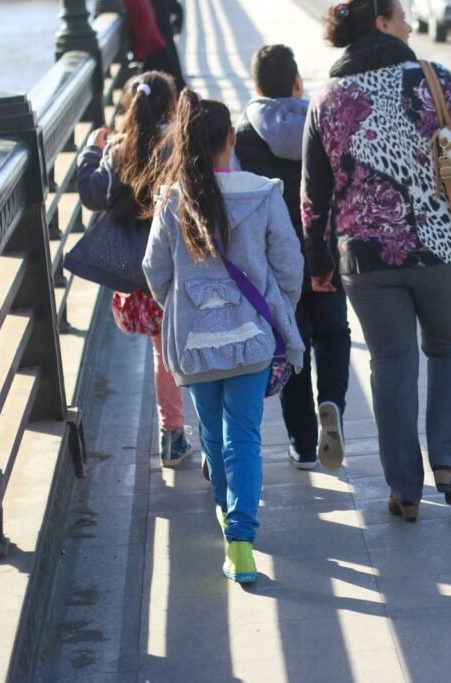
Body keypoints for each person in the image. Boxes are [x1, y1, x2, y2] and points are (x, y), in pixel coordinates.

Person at [302, 0, 451, 522]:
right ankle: (449, 466)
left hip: (365, 258)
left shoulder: (325, 99)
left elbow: (313, 197)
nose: (410, 24)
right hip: (443, 246)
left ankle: (404, 491)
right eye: (403, 15)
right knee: (450, 348)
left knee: (390, 363)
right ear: (382, 23)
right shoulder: (431, 78)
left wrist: (319, 263)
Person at [143, 92, 305, 583]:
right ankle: (241, 540)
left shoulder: (172, 201)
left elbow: (155, 271)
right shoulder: (263, 193)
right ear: (231, 138)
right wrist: (278, 307)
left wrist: (183, 305)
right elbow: (289, 264)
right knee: (245, 438)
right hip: (251, 337)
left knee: (212, 437)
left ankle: (226, 513)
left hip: (193, 343)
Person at [236, 44, 351, 472]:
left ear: (256, 86)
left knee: (291, 344)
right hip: (326, 250)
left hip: (275, 261)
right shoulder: (322, 124)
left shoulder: (243, 135)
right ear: (297, 83)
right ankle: (332, 402)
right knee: (334, 332)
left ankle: (302, 446)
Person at [76, 71, 192, 468]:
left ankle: (172, 435)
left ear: (129, 107)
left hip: (142, 276)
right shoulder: (182, 142)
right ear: (174, 104)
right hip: (187, 265)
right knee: (202, 348)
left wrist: (92, 151)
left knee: (163, 354)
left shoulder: (119, 149)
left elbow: (93, 194)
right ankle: (216, 435)